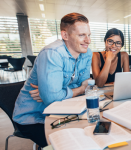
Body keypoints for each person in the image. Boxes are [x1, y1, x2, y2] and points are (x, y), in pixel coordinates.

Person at [12, 13, 92, 148]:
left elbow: (86, 83)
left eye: (89, 35)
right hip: (33, 117)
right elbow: (53, 98)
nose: (88, 40)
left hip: (63, 111)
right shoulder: (52, 53)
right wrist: (79, 89)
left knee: (89, 134)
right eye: (81, 35)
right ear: (65, 35)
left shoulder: (86, 53)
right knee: (69, 144)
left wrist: (57, 92)